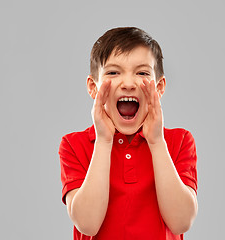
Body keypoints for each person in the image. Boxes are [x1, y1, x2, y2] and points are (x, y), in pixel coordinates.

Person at [58, 27, 198, 240]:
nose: (129, 84)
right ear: (93, 87)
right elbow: (87, 224)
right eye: (113, 72)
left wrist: (157, 142)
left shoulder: (179, 141)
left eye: (142, 73)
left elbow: (181, 221)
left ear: (159, 87)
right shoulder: (73, 145)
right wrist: (104, 141)